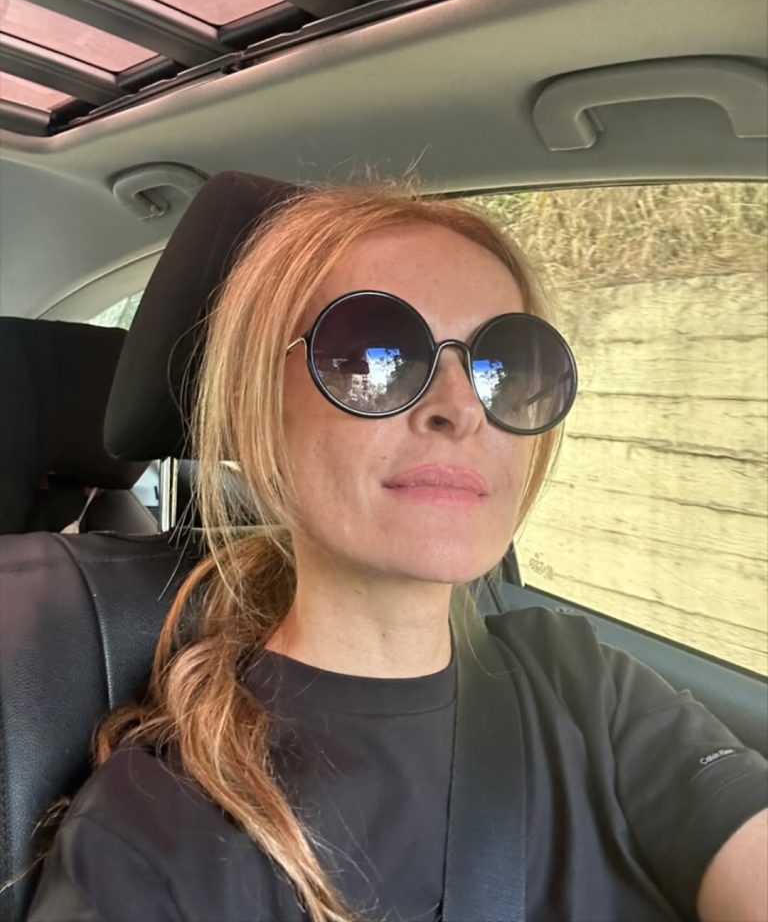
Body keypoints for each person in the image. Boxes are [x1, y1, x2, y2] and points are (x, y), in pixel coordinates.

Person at [27, 184, 767, 922]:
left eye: (507, 365)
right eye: (373, 353)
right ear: (258, 413)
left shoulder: (584, 685)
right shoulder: (151, 836)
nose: (463, 407)